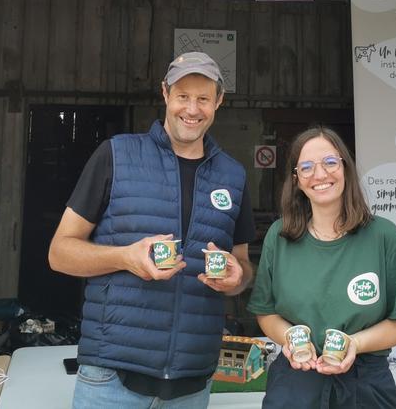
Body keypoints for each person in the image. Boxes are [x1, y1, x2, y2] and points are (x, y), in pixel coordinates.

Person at [49, 51, 255, 409]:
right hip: (111, 377)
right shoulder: (115, 155)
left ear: (219, 102)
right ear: (165, 93)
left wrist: (237, 278)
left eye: (203, 98)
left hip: (192, 381)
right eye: (183, 96)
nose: (192, 109)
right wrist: (126, 258)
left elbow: (242, 263)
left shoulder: (232, 175)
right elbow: (59, 253)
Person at [248, 126, 396, 409]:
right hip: (294, 385)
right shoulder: (279, 236)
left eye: (330, 162)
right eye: (306, 167)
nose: (320, 174)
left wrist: (356, 344)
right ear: (297, 180)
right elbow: (265, 313)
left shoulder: (384, 236)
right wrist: (290, 341)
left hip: (365, 387)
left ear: (346, 168)